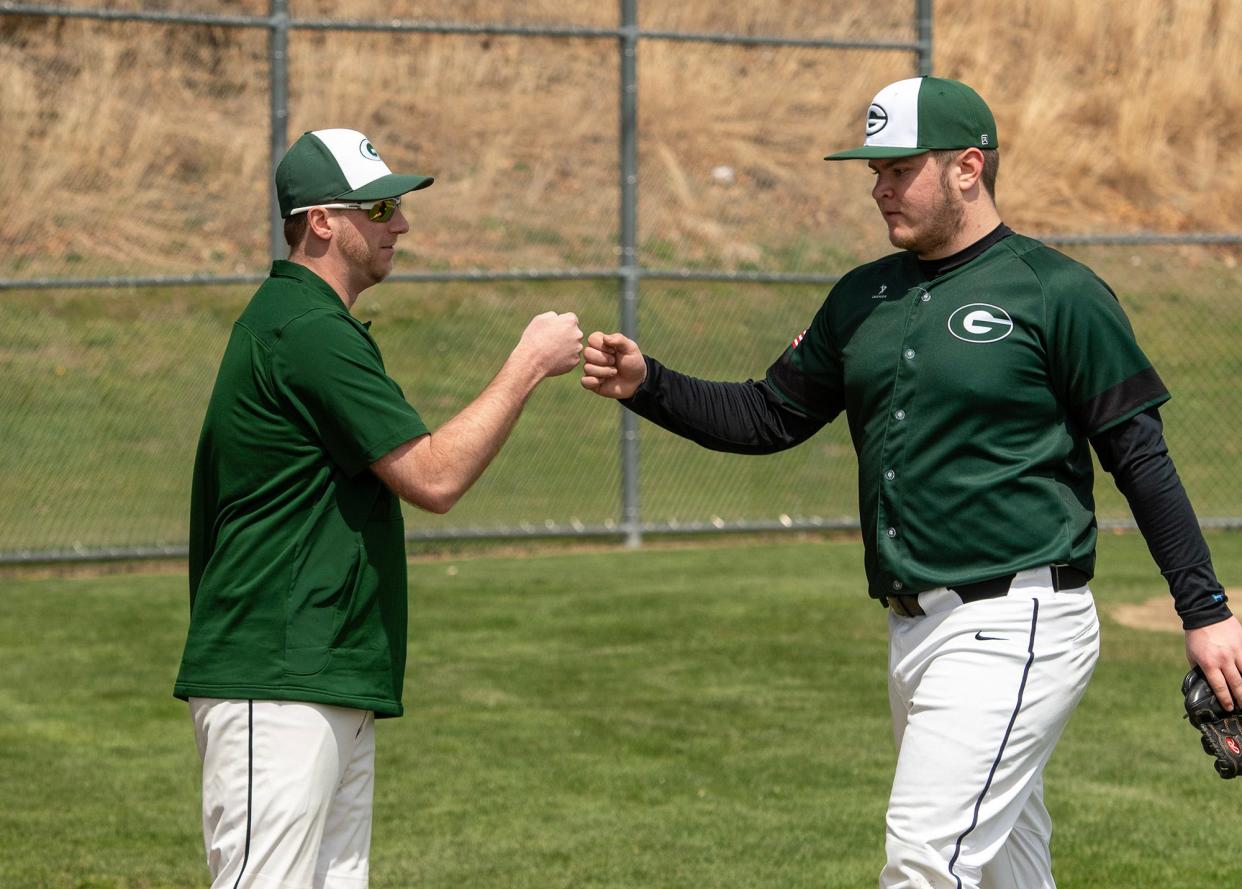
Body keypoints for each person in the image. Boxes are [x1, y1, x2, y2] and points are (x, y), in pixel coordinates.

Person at [580, 76, 1242, 888]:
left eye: (901, 166)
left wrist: (1204, 610)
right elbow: (768, 416)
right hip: (913, 631)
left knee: (925, 858)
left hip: (1018, 620)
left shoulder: (1055, 291)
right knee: (1002, 868)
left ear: (969, 167)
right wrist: (650, 383)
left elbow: (1140, 456)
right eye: (875, 169)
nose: (879, 186)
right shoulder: (864, 296)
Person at [173, 128, 582, 888]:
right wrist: (528, 364)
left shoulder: (306, 324)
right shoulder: (307, 329)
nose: (401, 224)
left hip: (319, 674)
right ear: (322, 221)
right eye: (382, 206)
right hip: (280, 672)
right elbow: (434, 475)